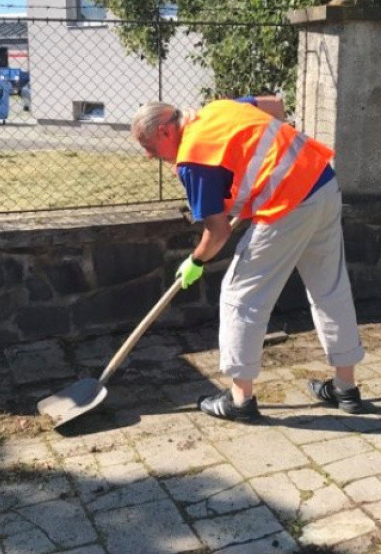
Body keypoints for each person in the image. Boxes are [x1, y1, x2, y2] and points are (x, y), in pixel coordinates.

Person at [131, 97, 366, 422]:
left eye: (148, 145)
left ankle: (240, 401)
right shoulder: (216, 109)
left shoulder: (193, 159)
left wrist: (196, 262)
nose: (148, 154)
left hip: (289, 203)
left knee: (240, 296)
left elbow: (218, 232)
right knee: (330, 288)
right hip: (322, 182)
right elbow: (276, 107)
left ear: (164, 132)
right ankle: (346, 388)